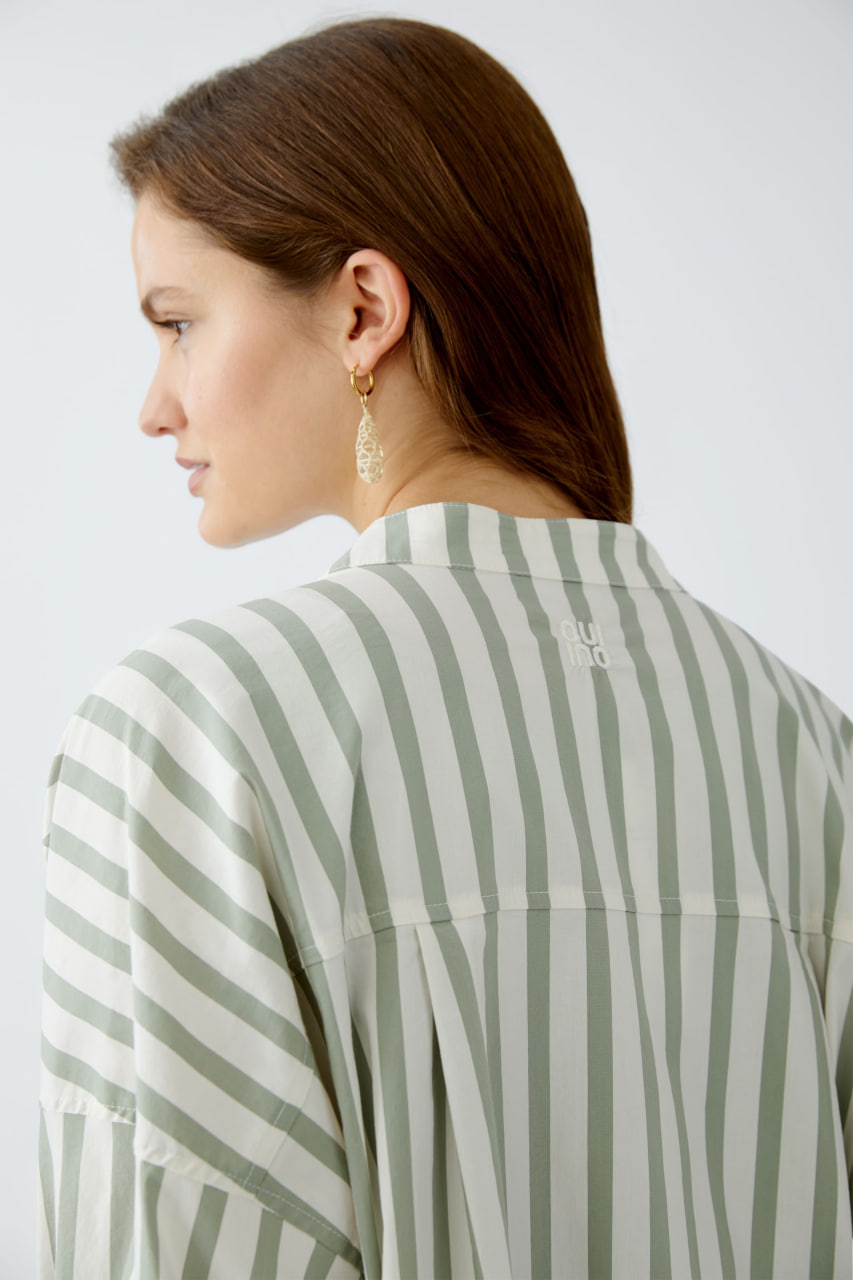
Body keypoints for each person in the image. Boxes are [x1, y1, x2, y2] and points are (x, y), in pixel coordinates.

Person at [37, 15, 853, 1279]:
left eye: (179, 322)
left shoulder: (189, 734)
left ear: (364, 308)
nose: (157, 404)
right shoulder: (807, 746)